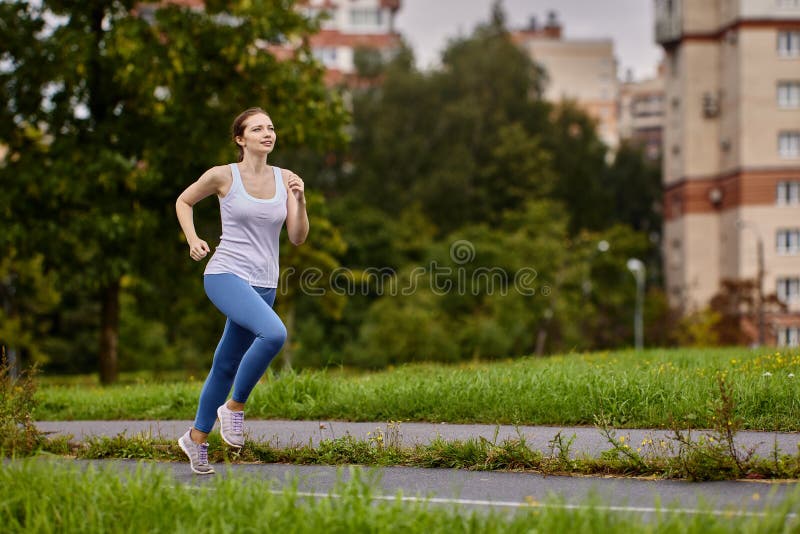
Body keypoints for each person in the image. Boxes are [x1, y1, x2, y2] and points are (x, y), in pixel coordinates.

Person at [174, 107, 308, 474]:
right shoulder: (222, 175)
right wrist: (193, 239)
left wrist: (300, 200)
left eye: (271, 127)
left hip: (265, 282)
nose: (268, 133)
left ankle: (195, 439)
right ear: (240, 138)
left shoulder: (285, 179)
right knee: (275, 333)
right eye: (257, 128)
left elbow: (297, 238)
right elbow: (183, 201)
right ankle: (234, 408)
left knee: (226, 363)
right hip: (225, 274)